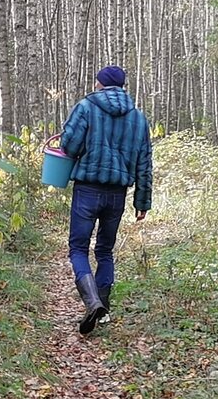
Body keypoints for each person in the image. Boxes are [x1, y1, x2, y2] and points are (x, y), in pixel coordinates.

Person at [59, 66, 153, 335]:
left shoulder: (87, 107)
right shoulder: (138, 118)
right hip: (117, 194)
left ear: (100, 84)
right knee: (105, 251)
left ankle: (91, 303)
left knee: (78, 248)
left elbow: (69, 146)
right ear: (123, 87)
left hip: (88, 189)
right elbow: (144, 164)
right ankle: (102, 311)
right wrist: (142, 203)